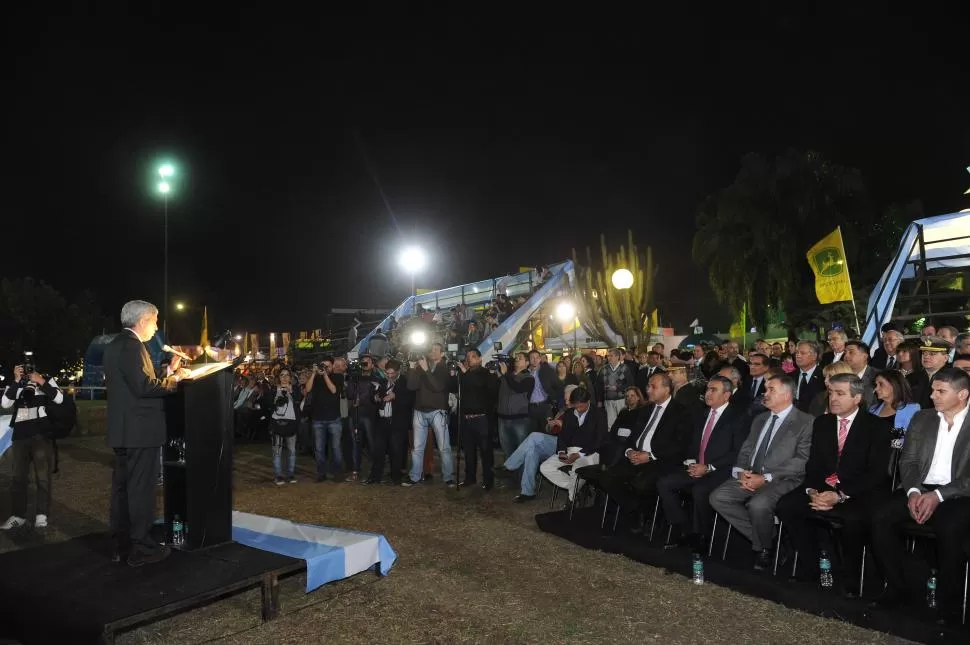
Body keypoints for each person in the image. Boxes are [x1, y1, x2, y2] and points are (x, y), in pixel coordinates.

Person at [869, 368, 970, 627]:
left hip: (959, 493)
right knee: (880, 517)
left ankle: (950, 604)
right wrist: (913, 491)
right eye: (933, 389)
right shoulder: (923, 418)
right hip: (919, 487)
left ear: (963, 394)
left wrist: (938, 495)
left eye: (940, 391)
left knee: (950, 527)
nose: (933, 395)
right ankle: (899, 586)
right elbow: (909, 460)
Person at [774, 374, 891, 595]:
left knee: (852, 518)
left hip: (858, 490)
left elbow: (876, 474)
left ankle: (851, 576)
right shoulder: (822, 423)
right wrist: (813, 492)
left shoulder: (876, 427)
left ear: (857, 398)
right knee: (787, 506)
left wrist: (840, 495)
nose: (833, 399)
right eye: (831, 393)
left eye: (840, 394)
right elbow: (814, 464)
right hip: (822, 487)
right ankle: (813, 565)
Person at [102, 300, 189, 567]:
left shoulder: (115, 345)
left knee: (123, 490)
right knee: (140, 491)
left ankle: (121, 544)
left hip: (124, 431)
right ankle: (141, 548)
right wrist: (175, 381)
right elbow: (144, 387)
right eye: (155, 320)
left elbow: (134, 384)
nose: (156, 326)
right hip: (140, 432)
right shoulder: (133, 345)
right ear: (142, 321)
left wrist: (168, 371)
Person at [709, 374, 814, 570]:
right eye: (765, 389)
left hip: (782, 479)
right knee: (718, 498)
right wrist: (740, 471)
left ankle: (764, 548)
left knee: (758, 505)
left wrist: (765, 478)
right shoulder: (760, 418)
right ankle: (769, 540)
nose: (765, 394)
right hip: (751, 474)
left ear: (787, 394)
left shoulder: (805, 422)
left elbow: (802, 461)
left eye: (771, 389)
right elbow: (746, 449)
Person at [1, 365, 64, 531]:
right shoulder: (17, 382)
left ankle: (41, 515)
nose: (27, 369)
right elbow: (5, 403)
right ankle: (18, 515)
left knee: (42, 476)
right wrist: (16, 381)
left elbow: (59, 399)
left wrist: (40, 381)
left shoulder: (45, 379)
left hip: (41, 435)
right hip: (20, 435)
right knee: (18, 477)